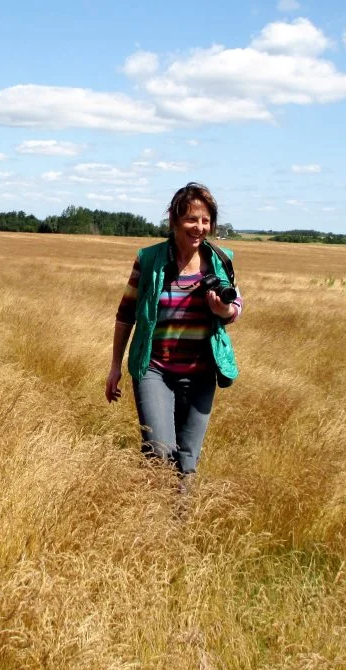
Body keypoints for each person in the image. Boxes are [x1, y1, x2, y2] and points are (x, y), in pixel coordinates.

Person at [106, 182, 242, 492]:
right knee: (159, 449)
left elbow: (235, 306)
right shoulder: (149, 259)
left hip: (202, 372)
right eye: (192, 219)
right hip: (155, 368)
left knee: (187, 460)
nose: (199, 227)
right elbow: (126, 314)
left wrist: (222, 311)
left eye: (206, 220)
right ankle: (151, 519)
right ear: (175, 221)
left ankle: (177, 531)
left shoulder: (220, 259)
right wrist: (115, 366)